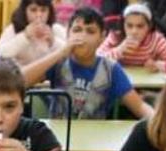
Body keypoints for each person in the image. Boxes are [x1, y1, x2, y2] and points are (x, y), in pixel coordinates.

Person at [21, 7, 154, 120]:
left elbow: (140, 107)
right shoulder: (57, 62)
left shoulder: (111, 69)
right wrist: (59, 53)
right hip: (57, 140)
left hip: (95, 140)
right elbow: (19, 80)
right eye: (77, 30)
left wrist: (160, 122)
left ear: (102, 37)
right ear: (68, 34)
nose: (82, 36)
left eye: (90, 31)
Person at [98, 3, 166, 72]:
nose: (134, 31)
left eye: (140, 26)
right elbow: (95, 59)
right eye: (129, 26)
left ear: (149, 26)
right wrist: (119, 50)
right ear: (123, 25)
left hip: (147, 85)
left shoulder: (155, 39)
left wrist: (159, 65)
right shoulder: (116, 37)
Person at [0, 0, 67, 67]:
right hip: (22, 78)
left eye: (43, 10)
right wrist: (24, 36)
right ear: (25, 11)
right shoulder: (13, 29)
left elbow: (72, 54)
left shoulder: (55, 29)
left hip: (50, 79)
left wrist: (53, 42)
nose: (39, 15)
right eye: (33, 10)